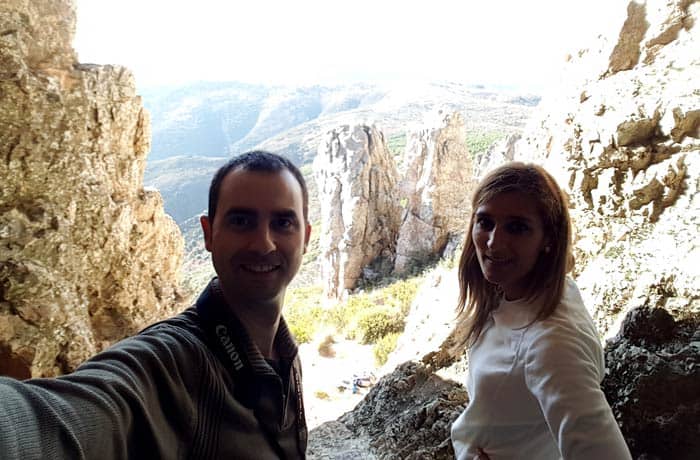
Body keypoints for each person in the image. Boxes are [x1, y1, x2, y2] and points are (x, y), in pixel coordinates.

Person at [0, 150, 311, 459]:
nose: (263, 243)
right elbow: (61, 421)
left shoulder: (283, 354)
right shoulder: (167, 366)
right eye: (241, 221)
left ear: (306, 237)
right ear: (208, 234)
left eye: (283, 223)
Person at [450, 162, 631, 460]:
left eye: (517, 227)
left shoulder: (550, 345)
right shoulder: (540, 289)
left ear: (548, 238)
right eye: (485, 222)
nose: (494, 242)